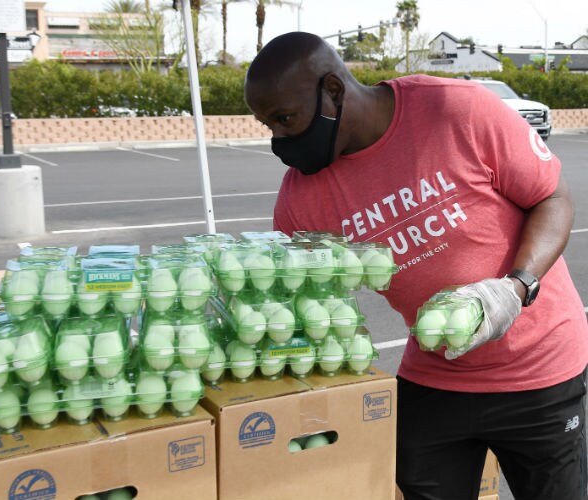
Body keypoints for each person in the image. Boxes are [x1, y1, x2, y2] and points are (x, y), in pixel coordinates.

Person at [244, 31, 588, 500]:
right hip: (435, 376)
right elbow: (302, 307)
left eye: (286, 119)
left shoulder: (455, 110)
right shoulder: (300, 203)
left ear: (334, 90)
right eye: (269, 126)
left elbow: (552, 197)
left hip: (540, 371)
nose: (279, 139)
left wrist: (515, 287)